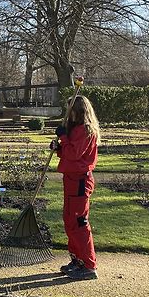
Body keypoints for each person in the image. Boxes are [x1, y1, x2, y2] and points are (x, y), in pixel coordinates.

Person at [51, 95, 100, 280]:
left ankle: (89, 264)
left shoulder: (86, 130)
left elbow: (74, 153)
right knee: (69, 220)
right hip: (71, 179)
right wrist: (58, 147)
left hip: (80, 180)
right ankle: (77, 259)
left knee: (79, 222)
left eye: (69, 110)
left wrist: (63, 137)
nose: (67, 113)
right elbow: (68, 152)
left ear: (77, 111)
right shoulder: (76, 129)